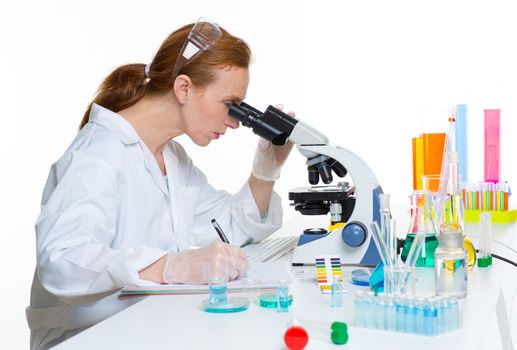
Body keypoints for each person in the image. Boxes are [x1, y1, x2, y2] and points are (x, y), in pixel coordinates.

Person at [27, 19, 294, 349]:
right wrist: (170, 266)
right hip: (87, 338)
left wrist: (265, 171)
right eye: (230, 105)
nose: (236, 122)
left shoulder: (171, 156)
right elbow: (61, 261)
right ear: (184, 88)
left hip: (144, 326)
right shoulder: (96, 156)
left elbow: (228, 227)